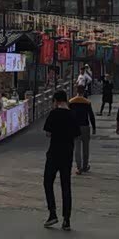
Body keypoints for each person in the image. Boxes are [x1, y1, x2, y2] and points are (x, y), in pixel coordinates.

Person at [43, 89, 81, 231]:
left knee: (48, 182)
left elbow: (48, 133)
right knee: (66, 185)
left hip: (54, 153)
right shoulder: (72, 114)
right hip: (67, 154)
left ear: (56, 101)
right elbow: (77, 135)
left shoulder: (53, 114)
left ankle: (52, 213)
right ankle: (66, 219)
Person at [69, 85, 96, 174]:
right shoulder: (87, 102)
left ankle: (78, 167)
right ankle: (85, 166)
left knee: (77, 147)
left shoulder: (71, 102)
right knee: (86, 147)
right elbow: (91, 115)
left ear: (76, 91)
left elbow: (68, 115)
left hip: (75, 127)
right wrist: (94, 127)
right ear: (84, 91)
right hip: (85, 126)